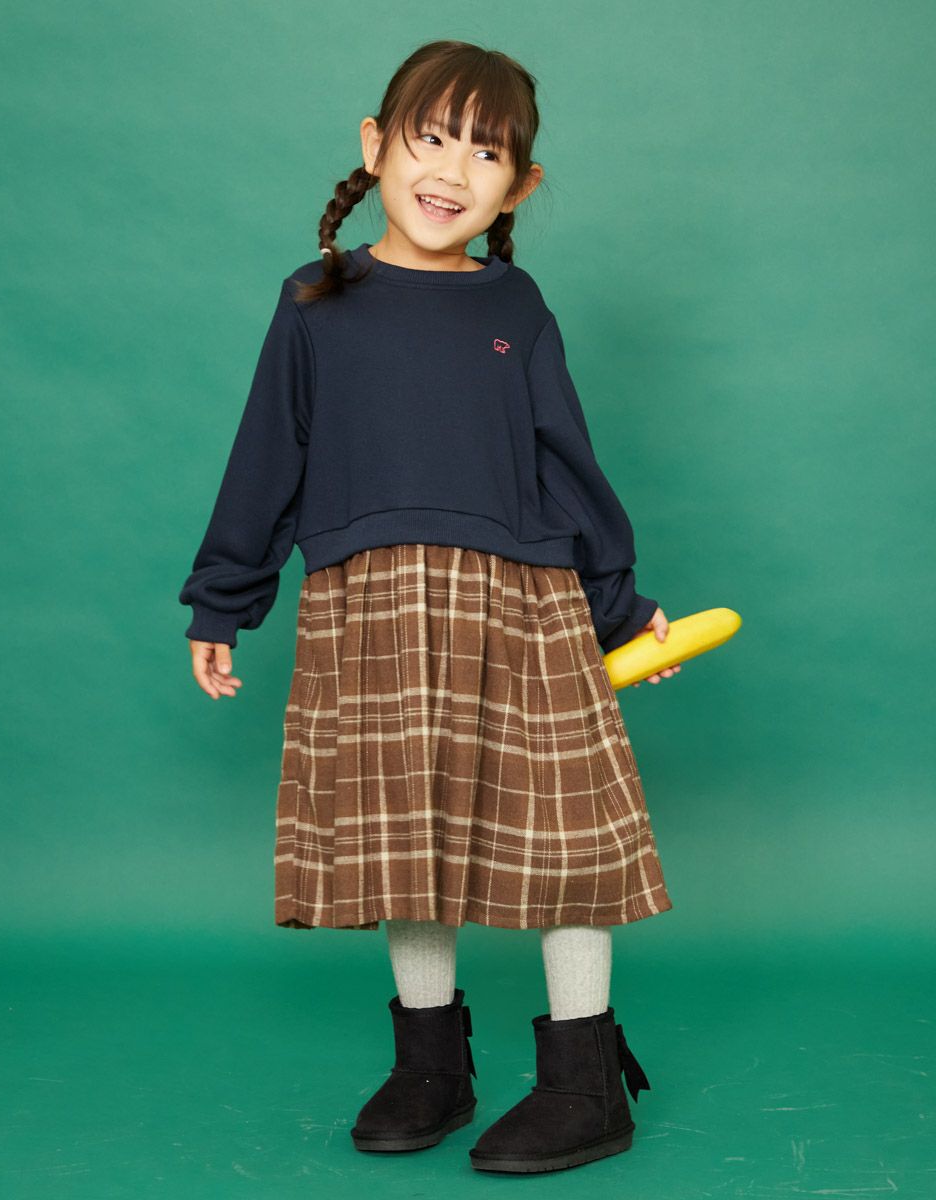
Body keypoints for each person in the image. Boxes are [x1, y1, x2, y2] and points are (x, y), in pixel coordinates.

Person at [178, 38, 682, 1176]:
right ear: (375, 145)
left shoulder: (517, 305)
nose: (453, 169)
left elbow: (568, 462)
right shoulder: (315, 302)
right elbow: (267, 457)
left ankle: (585, 1083)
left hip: (525, 599)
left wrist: (617, 607)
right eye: (432, 137)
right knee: (408, 836)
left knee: (563, 836)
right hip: (369, 605)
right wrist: (223, 596)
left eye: (487, 153)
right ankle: (431, 1067)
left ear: (521, 187)